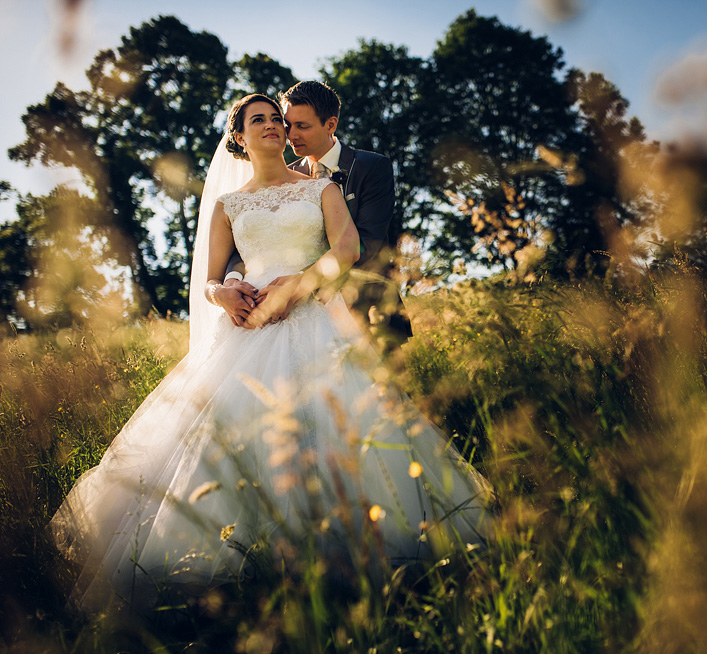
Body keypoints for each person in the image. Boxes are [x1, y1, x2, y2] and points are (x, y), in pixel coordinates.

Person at [49, 93, 488, 613]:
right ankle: (235, 564)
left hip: (314, 318)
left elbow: (347, 249)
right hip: (247, 326)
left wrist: (299, 284)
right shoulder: (228, 205)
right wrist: (223, 294)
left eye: (277, 118)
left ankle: (346, 560)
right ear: (238, 137)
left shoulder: (321, 188)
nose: (273, 125)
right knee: (228, 433)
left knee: (341, 424)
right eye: (259, 119)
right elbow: (211, 277)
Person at [220, 80, 412, 351]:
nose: (291, 134)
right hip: (283, 317)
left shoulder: (370, 167)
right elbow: (251, 243)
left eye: (303, 126)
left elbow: (367, 245)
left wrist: (301, 286)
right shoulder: (283, 176)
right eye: (288, 125)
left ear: (330, 125)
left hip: (366, 312)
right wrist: (230, 284)